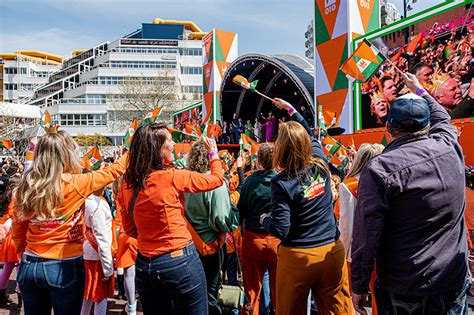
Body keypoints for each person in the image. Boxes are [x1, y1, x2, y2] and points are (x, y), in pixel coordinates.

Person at [351, 72, 469, 314]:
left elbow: (367, 235)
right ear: (427, 125)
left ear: (387, 128)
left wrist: (359, 285)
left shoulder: (378, 170)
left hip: (407, 288)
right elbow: (443, 119)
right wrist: (420, 89)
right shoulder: (450, 146)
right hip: (452, 280)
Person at [12, 130, 128, 315]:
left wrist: (22, 254)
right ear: (67, 154)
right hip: (63, 265)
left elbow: (18, 230)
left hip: (30, 264)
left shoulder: (26, 185)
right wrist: (133, 148)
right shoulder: (76, 183)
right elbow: (113, 171)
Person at [118, 123, 224, 315]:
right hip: (179, 260)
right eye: (169, 140)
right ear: (157, 148)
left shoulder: (126, 183)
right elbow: (217, 179)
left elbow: (130, 229)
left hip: (145, 265)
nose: (174, 143)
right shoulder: (172, 177)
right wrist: (213, 154)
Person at [260, 98, 351, 314]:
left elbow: (282, 229)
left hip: (299, 257)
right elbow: (310, 133)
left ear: (280, 147)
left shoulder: (281, 182)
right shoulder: (319, 160)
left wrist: (266, 220)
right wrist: (290, 109)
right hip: (331, 251)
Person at [184, 140, 239, 315]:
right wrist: (230, 223)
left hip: (188, 245)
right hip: (210, 245)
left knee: (191, 293)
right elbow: (222, 218)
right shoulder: (215, 182)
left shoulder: (186, 179)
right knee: (209, 295)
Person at [337, 143, 384, 315]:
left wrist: (344, 255)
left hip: (356, 252)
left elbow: (346, 226)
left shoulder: (348, 185)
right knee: (380, 295)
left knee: (351, 297)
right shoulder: (386, 179)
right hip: (382, 247)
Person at [238, 143, 279, 315]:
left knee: (252, 293)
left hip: (254, 240)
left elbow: (241, 211)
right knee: (280, 291)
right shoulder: (281, 180)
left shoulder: (249, 182)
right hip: (277, 241)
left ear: (259, 160)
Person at [81, 186, 114, 315]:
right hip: (97, 257)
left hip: (87, 252)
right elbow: (102, 238)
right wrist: (108, 268)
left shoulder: (85, 201)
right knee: (100, 295)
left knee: (87, 294)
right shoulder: (97, 205)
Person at [0, 176, 20, 308]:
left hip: (8, 238)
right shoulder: (18, 199)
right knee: (20, 268)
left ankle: (1, 296)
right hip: (16, 237)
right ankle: (20, 298)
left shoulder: (6, 198)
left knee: (7, 267)